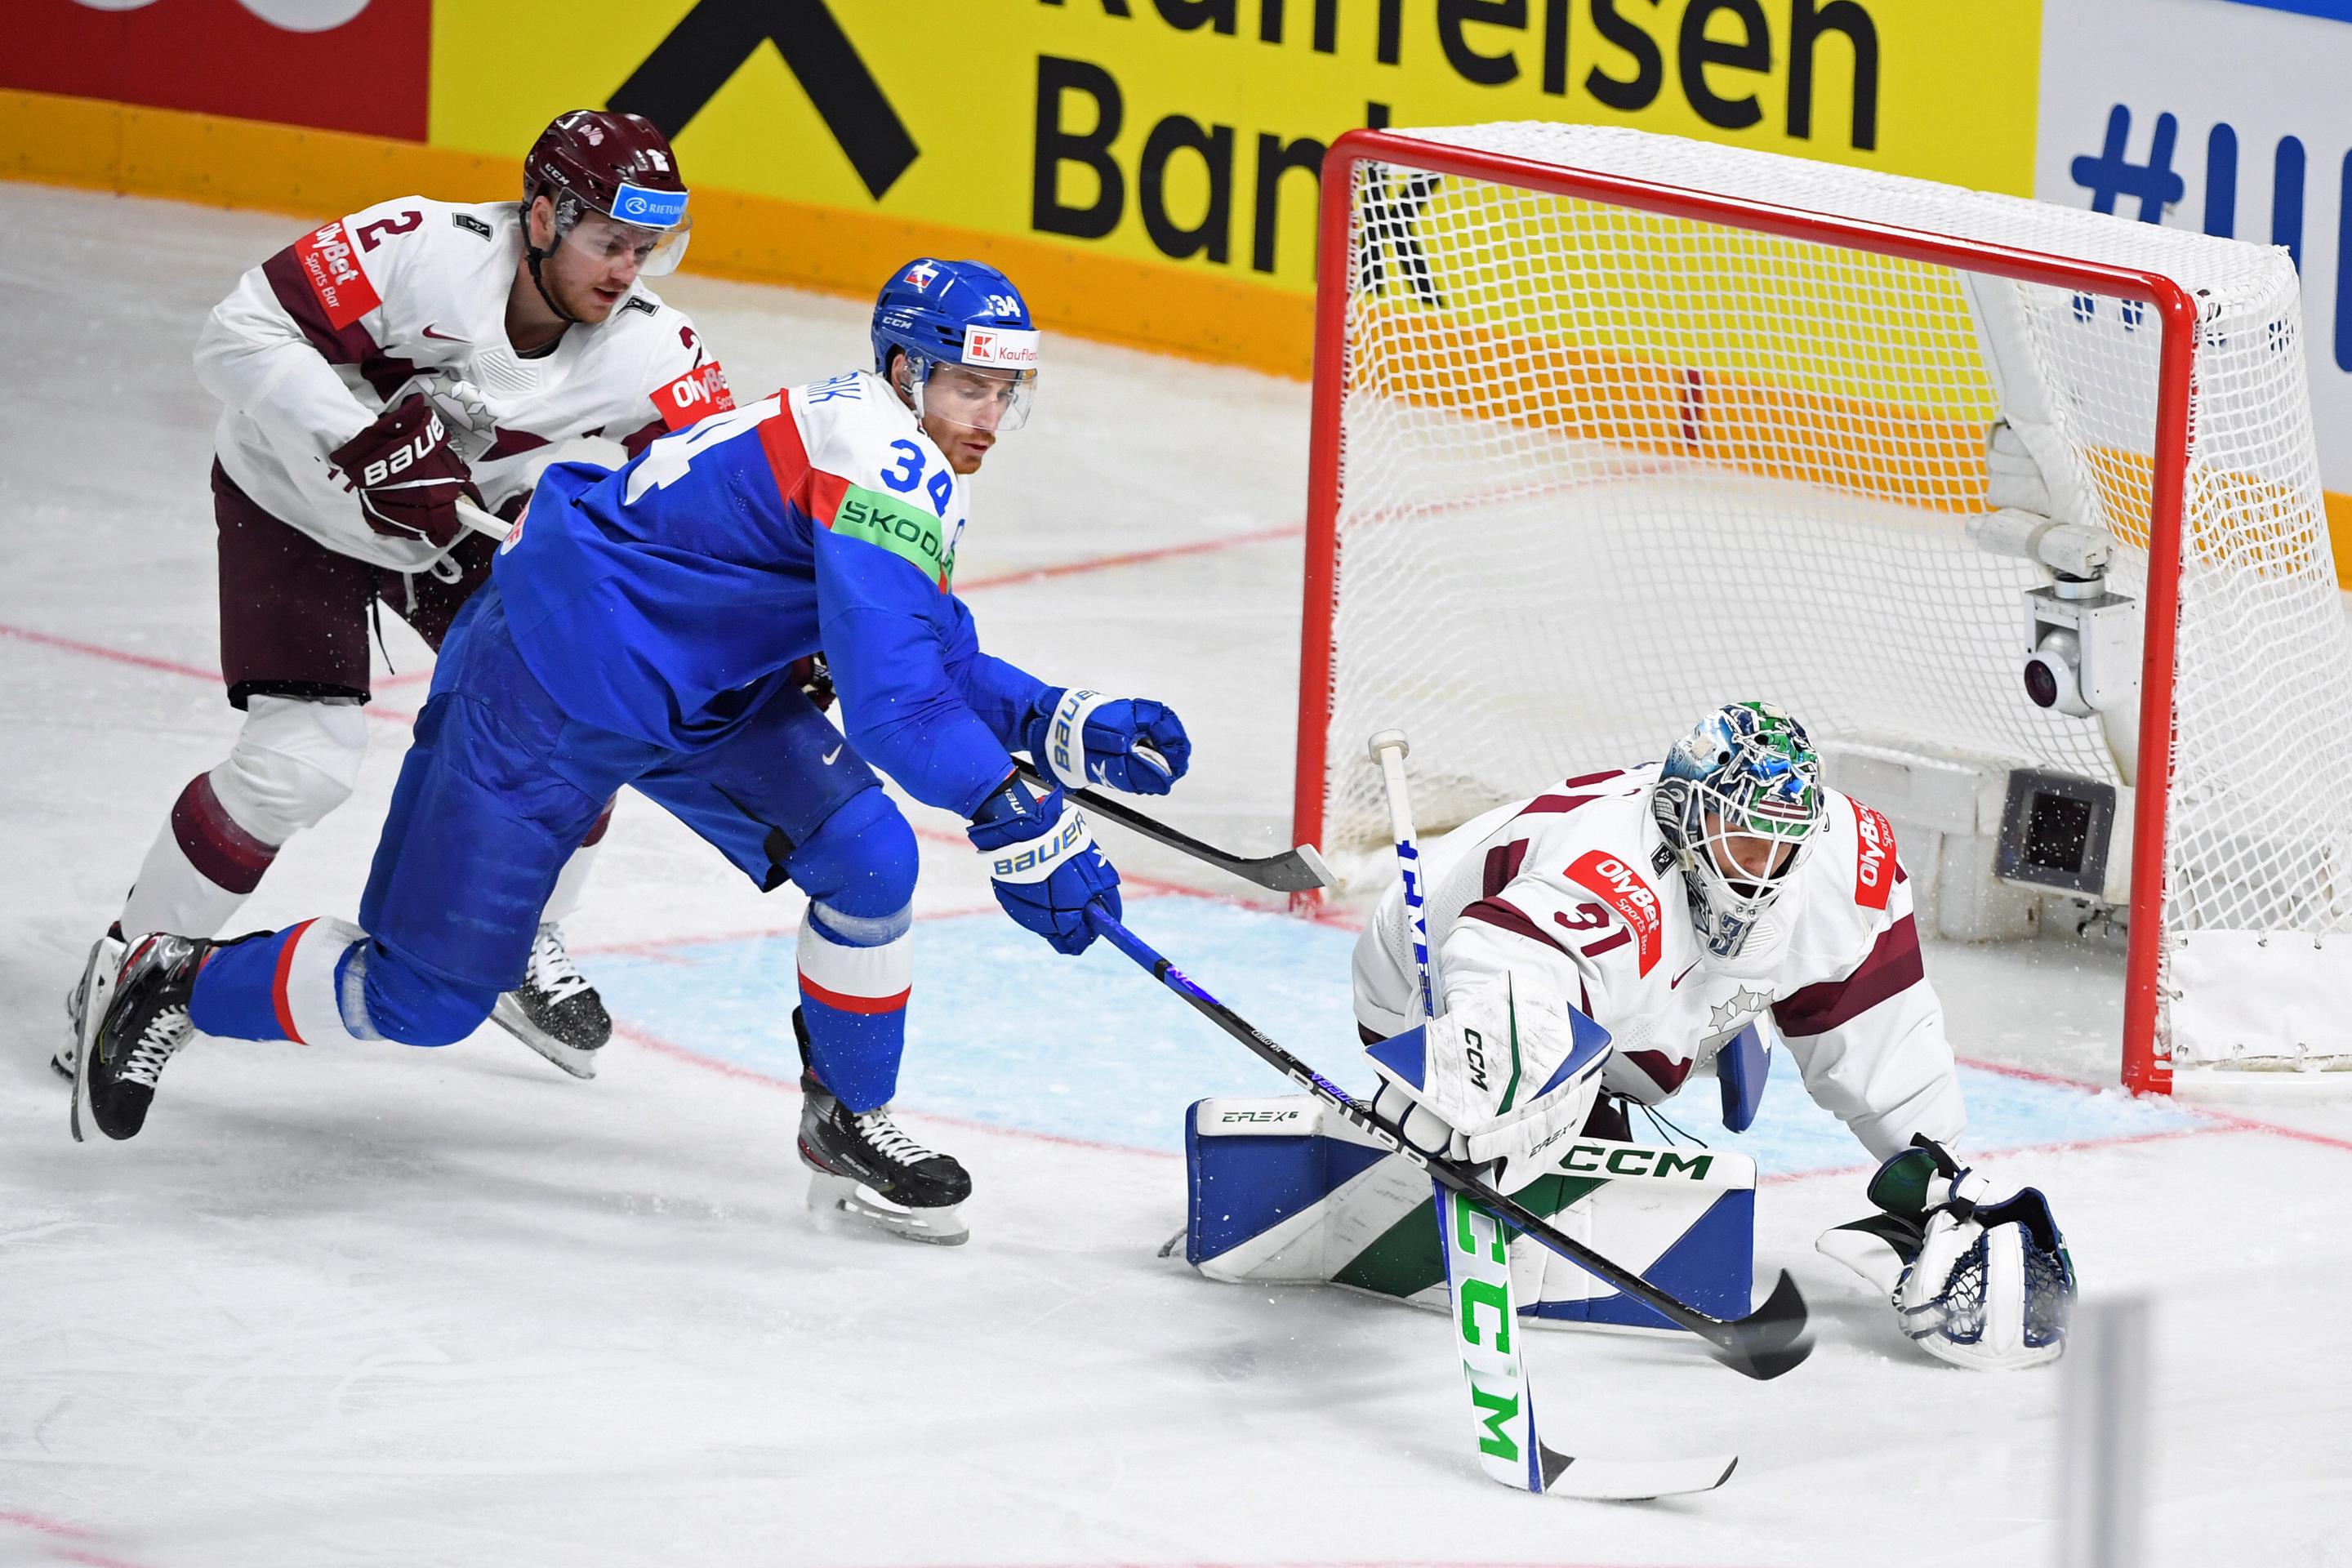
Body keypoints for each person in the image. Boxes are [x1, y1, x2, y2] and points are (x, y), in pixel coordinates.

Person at [72, 257, 1193, 1250]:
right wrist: (1016, 813)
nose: (988, 416)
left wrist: (1054, 719)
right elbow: (897, 709)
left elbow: (916, 647)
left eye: (1006, 393)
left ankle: (847, 1116)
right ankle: (175, 977)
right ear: (905, 370)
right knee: (424, 999)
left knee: (869, 860)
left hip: (698, 690)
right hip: (549, 680)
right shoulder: (877, 457)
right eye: (969, 387)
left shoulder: (886, 444)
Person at [60, 109, 731, 1084]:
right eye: (607, 242)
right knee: (297, 769)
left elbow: (714, 505)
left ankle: (513, 938)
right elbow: (236, 334)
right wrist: (361, 440)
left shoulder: (653, 349)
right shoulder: (418, 246)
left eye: (646, 249)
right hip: (292, 504)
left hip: (453, 537)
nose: (628, 271)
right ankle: (126, 969)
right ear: (541, 218)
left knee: (587, 715)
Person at [1209, 702, 2074, 1368]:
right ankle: (1531, 1107)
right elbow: (1502, 960)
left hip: (1622, 991)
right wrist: (1484, 1081)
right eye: (1742, 839)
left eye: (1781, 846)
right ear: (1685, 817)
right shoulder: (1616, 876)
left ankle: (1598, 1093)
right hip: (1424, 970)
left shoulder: (1839, 853)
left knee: (1688, 1000)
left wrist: (1935, 1167)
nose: (1762, 870)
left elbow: (1875, 1020)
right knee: (1539, 1060)